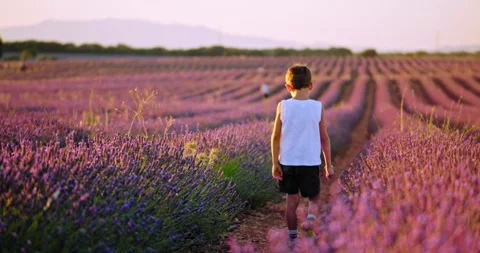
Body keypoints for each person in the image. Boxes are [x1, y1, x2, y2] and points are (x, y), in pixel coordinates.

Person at [271, 64, 334, 245]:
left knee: (292, 202)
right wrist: (328, 165)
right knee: (313, 197)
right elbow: (324, 138)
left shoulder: (282, 106)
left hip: (288, 163)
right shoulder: (317, 107)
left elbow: (275, 137)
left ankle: (292, 239)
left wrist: (275, 163)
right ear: (311, 85)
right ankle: (311, 220)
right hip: (310, 162)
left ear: (288, 87)